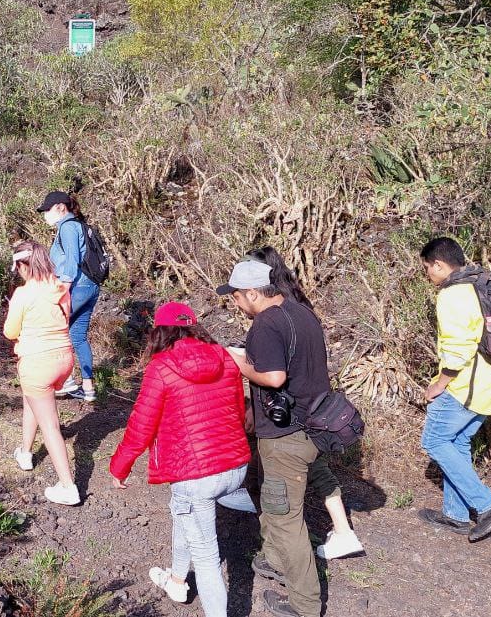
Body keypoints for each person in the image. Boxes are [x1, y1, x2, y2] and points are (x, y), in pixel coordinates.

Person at [109, 302, 255, 617]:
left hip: (196, 474)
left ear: (159, 332)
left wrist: (119, 467)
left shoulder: (161, 368)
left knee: (207, 558)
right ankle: (176, 580)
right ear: (194, 326)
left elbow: (141, 425)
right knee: (183, 511)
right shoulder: (224, 358)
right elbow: (237, 413)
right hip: (235, 465)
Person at [219, 259, 339, 617]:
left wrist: (234, 360)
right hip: (313, 424)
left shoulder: (265, 324)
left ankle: (304, 605)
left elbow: (272, 377)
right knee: (273, 501)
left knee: (286, 519)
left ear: (254, 293)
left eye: (238, 297)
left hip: (287, 436)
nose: (236, 304)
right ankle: (273, 559)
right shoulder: (300, 312)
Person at [245, 247, 364, 561]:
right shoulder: (299, 308)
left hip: (291, 424)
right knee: (307, 470)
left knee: (285, 506)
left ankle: (286, 558)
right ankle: (338, 532)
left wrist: (242, 366)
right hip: (315, 414)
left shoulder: (272, 318)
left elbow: (273, 376)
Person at [417, 237, 491, 541]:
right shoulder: (482, 284)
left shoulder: (453, 294)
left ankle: (488, 506)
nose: (427, 276)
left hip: (466, 386)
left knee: (434, 441)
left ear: (440, 264)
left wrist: (438, 384)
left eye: (427, 269)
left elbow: (458, 351)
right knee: (457, 442)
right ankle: (456, 516)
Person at [4, 240, 80, 506]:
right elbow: (66, 319)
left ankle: (67, 485)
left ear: (24, 266)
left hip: (38, 362)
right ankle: (25, 452)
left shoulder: (23, 295)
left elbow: (10, 332)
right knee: (32, 399)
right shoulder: (59, 288)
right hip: (65, 359)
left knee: (50, 425)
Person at [38, 191, 98, 402]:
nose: (45, 214)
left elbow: (72, 262)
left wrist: (63, 289)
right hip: (89, 287)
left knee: (55, 330)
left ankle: (64, 381)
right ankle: (88, 388)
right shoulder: (78, 225)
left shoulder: (68, 227)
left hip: (76, 288)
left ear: (60, 208)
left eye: (47, 209)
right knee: (78, 336)